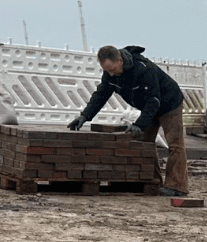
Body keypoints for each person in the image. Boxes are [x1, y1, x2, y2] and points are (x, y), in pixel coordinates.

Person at [68, 45, 189, 197]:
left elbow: (154, 99)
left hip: (169, 103)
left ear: (120, 60)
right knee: (144, 143)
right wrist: (84, 116)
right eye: (106, 70)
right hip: (148, 106)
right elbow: (101, 94)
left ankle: (177, 187)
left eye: (112, 68)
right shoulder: (110, 75)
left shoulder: (143, 69)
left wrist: (139, 124)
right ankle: (152, 182)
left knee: (175, 143)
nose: (110, 73)